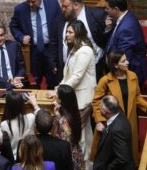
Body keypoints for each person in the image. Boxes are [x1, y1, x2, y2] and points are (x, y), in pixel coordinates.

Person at [91, 50, 147, 166]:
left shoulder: (133, 76)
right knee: (114, 156)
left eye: (126, 59)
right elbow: (96, 101)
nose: (127, 62)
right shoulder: (105, 80)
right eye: (124, 61)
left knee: (128, 154)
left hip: (130, 122)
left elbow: (137, 97)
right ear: (115, 65)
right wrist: (99, 120)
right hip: (111, 124)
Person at [57, 20, 95, 169]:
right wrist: (58, 86)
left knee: (81, 138)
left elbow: (77, 76)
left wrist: (59, 90)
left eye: (70, 32)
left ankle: (83, 166)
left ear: (78, 33)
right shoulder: (75, 50)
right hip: (75, 98)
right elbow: (68, 75)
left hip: (82, 100)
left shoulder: (85, 51)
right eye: (66, 31)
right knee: (83, 136)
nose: (67, 35)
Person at [50, 0, 108, 82]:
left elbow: (106, 38)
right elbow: (54, 42)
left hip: (92, 69)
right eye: (62, 6)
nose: (63, 9)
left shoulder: (96, 16)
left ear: (76, 5)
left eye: (65, 7)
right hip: (66, 69)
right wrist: (53, 62)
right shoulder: (60, 19)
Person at [9, 0, 61, 89]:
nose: (30, 4)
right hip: (33, 51)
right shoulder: (20, 9)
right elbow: (13, 26)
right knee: (34, 82)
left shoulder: (53, 4)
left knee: (53, 81)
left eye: (33, 2)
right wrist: (21, 37)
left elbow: (61, 22)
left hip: (51, 50)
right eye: (28, 1)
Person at [104, 0, 147, 85]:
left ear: (116, 9)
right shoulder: (126, 17)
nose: (106, 11)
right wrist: (109, 28)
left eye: (107, 8)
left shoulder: (127, 27)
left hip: (129, 73)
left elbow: (123, 56)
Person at [93, 95, 135, 170]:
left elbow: (122, 158)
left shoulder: (118, 129)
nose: (99, 108)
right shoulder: (119, 116)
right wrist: (104, 130)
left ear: (105, 110)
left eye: (100, 107)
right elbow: (112, 136)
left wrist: (107, 168)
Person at [52, 84, 85, 170]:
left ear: (60, 100)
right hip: (76, 153)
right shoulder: (74, 112)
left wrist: (57, 119)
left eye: (56, 94)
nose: (55, 96)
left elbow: (64, 144)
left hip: (68, 159)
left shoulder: (63, 121)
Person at [0, 91, 39, 159]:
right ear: (22, 105)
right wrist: (35, 105)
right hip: (30, 157)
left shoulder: (4, 124)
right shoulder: (31, 117)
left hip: (14, 159)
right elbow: (42, 117)